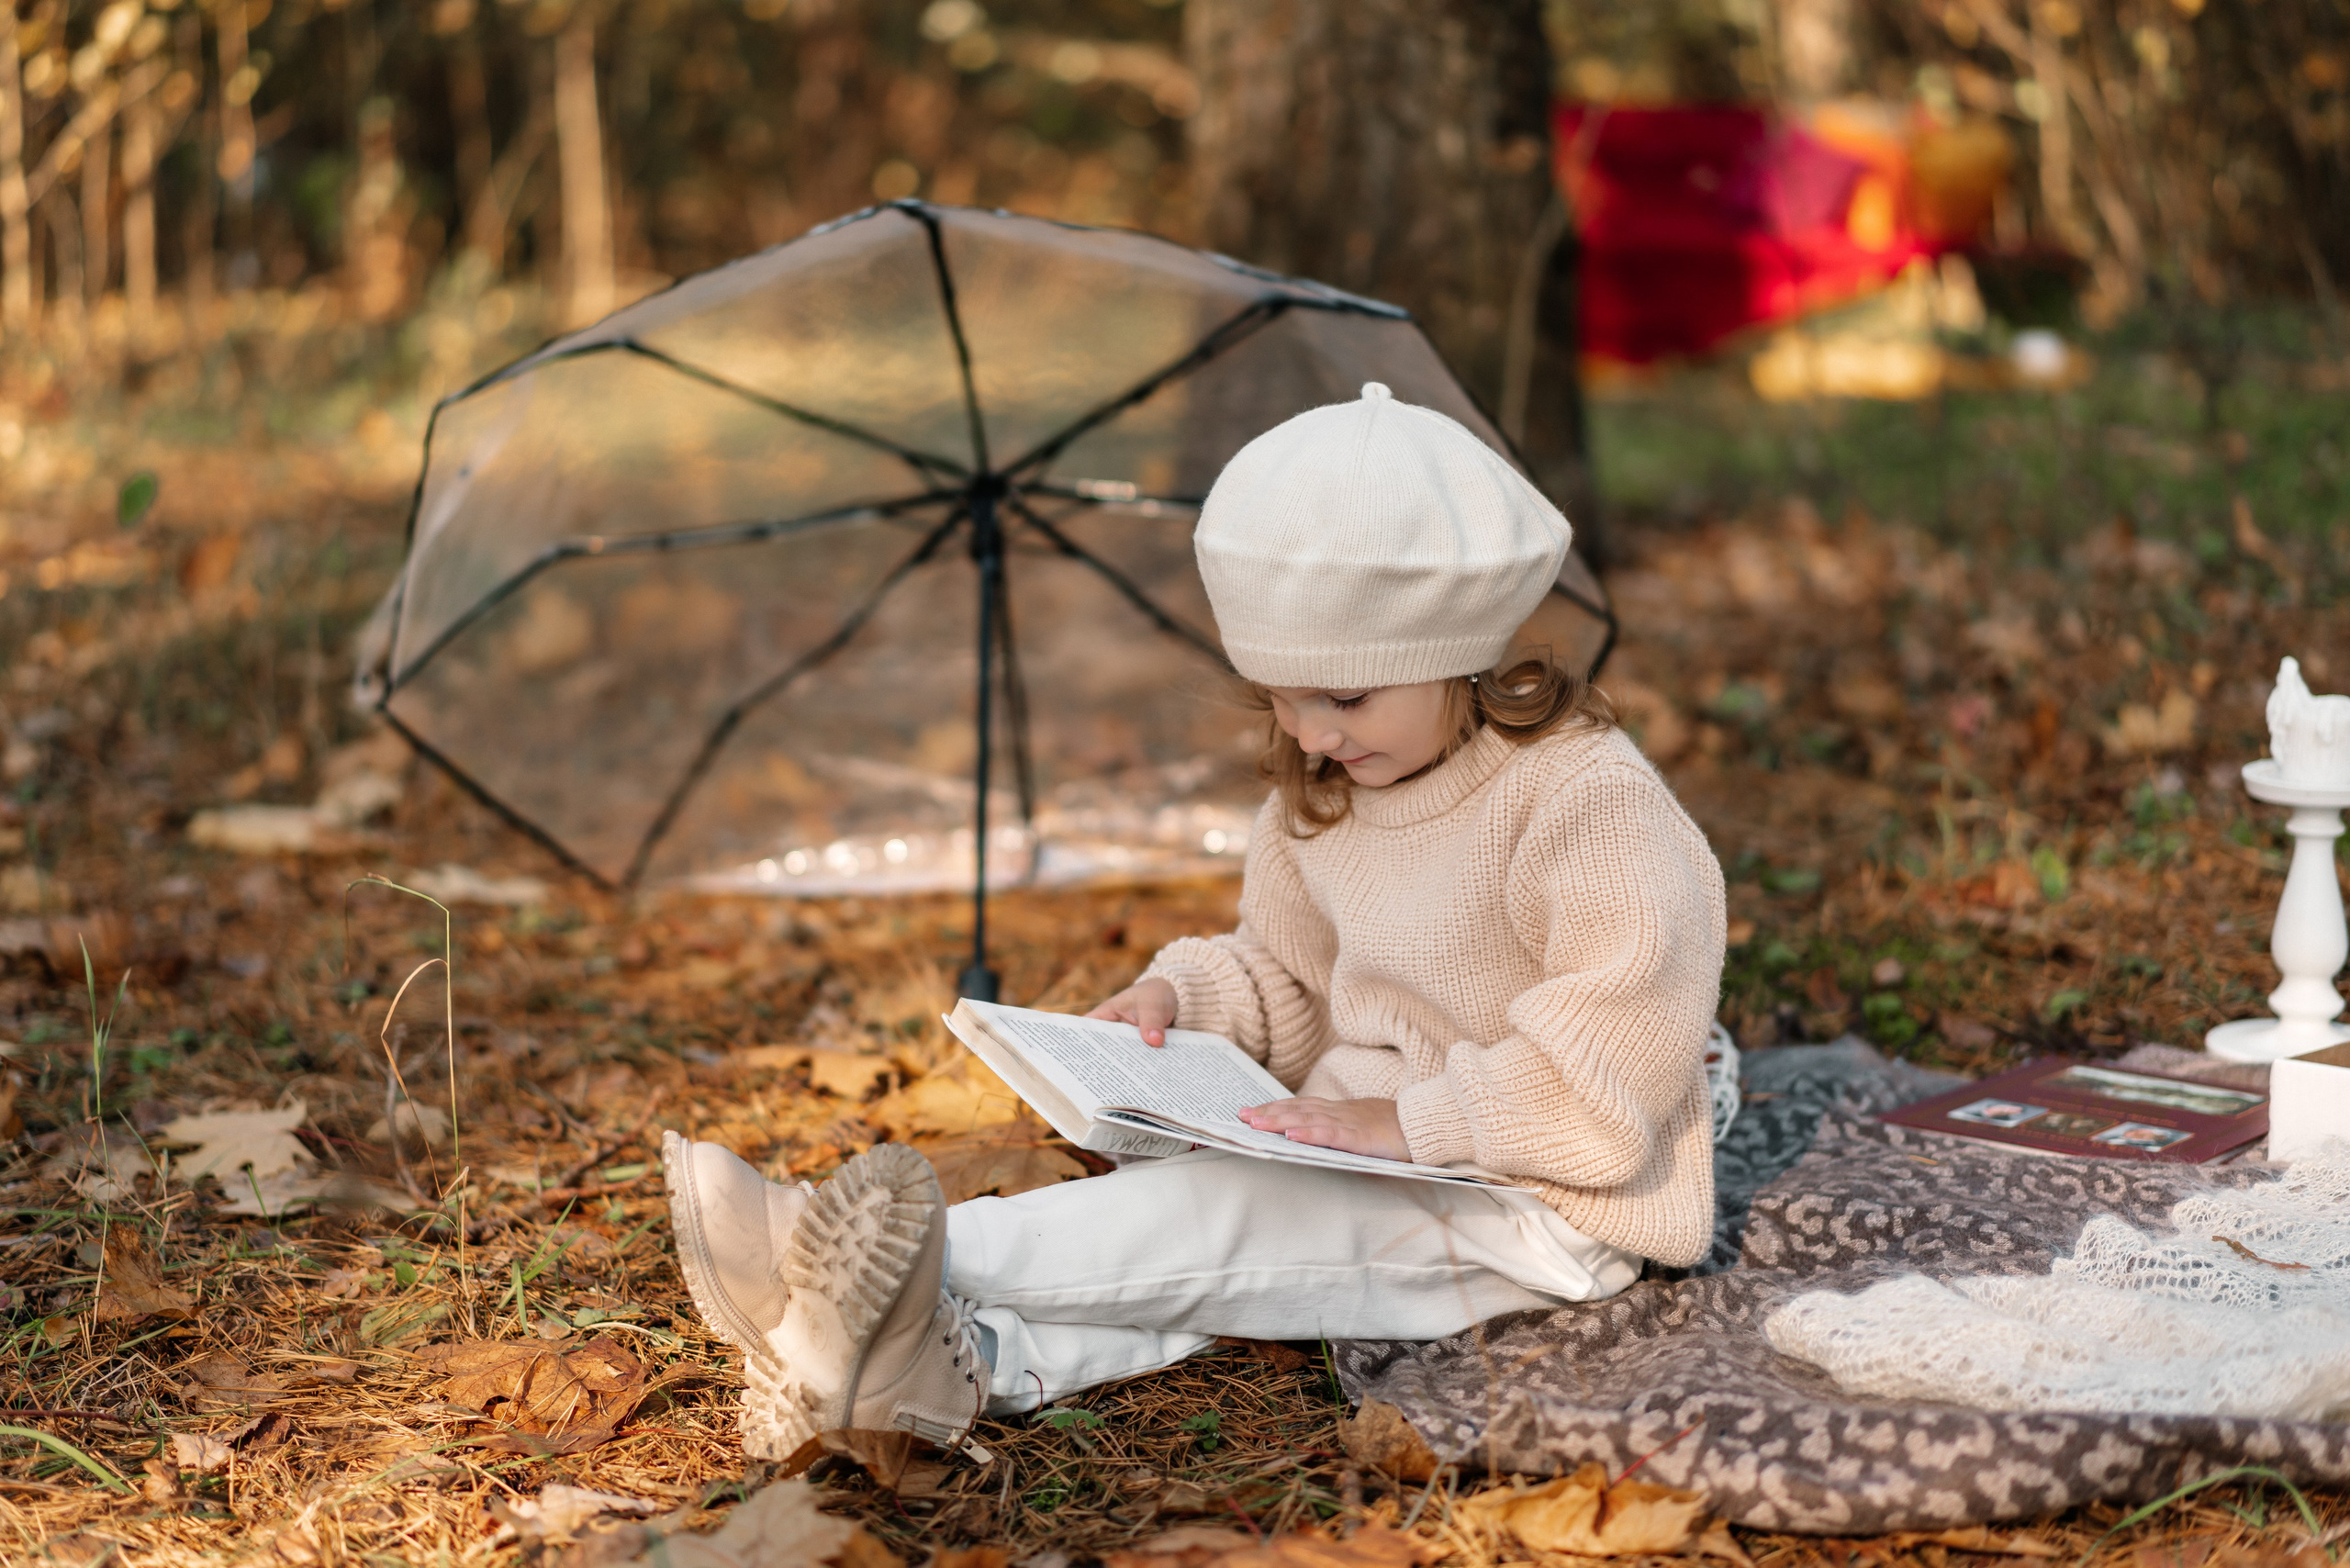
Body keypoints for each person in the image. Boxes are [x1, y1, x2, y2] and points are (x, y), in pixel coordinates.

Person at [662, 383, 1728, 1460]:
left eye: (1344, 699)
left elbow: (1614, 1054)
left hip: (1541, 1197)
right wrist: (1188, 998)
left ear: (1468, 655)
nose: (1308, 736)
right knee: (1221, 1241)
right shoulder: (1324, 797)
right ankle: (945, 1364)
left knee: (1230, 1224)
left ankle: (854, 1256)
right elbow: (1292, 979)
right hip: (1372, 1157)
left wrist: (1409, 1124)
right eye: (1277, 695)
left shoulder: (1584, 800)